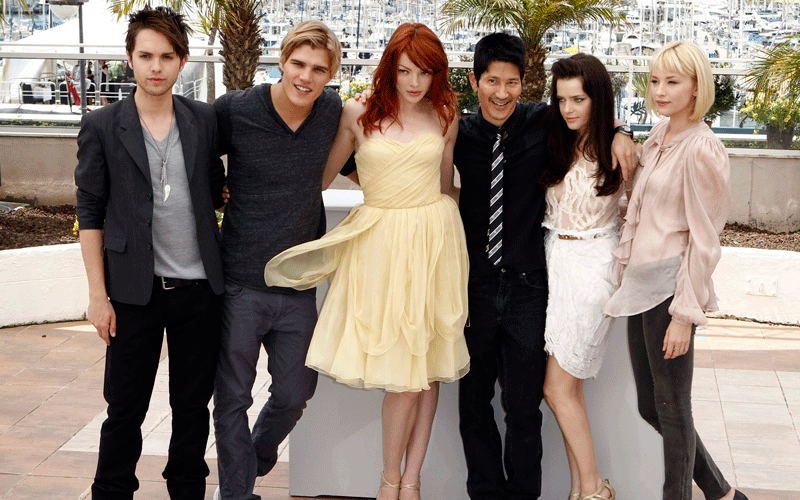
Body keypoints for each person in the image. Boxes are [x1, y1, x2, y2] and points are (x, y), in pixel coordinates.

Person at [264, 22, 470, 500]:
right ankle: (387, 481)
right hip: (379, 249)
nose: (414, 82)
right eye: (404, 70)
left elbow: (445, 188)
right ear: (389, 70)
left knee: (426, 364)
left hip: (433, 244)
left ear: (436, 74)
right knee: (403, 371)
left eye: (424, 72)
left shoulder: (446, 116)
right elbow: (319, 175)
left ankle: (410, 481)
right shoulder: (357, 113)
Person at [453, 33, 637, 500]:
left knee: (524, 407)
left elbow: (593, 114)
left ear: (523, 85)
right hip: (473, 286)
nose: (501, 92)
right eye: (491, 80)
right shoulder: (457, 132)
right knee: (473, 406)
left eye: (511, 82)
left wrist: (622, 133)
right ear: (474, 81)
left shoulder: (542, 121)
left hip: (529, 287)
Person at [74, 6, 225, 499]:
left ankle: (186, 491)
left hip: (200, 291)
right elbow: (90, 212)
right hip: (133, 293)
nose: (155, 67)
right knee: (124, 408)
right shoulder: (102, 126)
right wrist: (98, 296)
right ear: (129, 59)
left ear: (182, 61)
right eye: (145, 56)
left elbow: (219, 187)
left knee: (191, 408)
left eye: (166, 56)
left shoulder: (204, 120)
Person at [604, 41, 747, 500]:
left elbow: (704, 241)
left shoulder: (702, 148)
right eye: (654, 80)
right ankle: (722, 492)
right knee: (652, 405)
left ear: (696, 87)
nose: (660, 91)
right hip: (640, 285)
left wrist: (685, 315)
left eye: (673, 81)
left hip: (669, 289)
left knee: (672, 408)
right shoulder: (659, 135)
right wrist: (620, 130)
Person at [211, 20, 342, 500]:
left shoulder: (330, 111)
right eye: (298, 64)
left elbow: (366, 155)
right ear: (282, 61)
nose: (306, 77)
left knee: (294, 394)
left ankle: (250, 461)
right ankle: (236, 494)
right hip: (240, 282)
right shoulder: (235, 110)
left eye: (319, 69)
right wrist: (216, 189)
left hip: (297, 285)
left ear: (330, 75)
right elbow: (198, 155)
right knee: (232, 398)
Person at [538, 53, 622, 500]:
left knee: (557, 388)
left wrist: (623, 132)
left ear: (598, 98)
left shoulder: (618, 147)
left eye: (579, 99)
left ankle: (593, 491)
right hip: (557, 265)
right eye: (562, 99)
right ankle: (580, 489)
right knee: (566, 390)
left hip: (593, 269)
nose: (568, 108)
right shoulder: (560, 139)